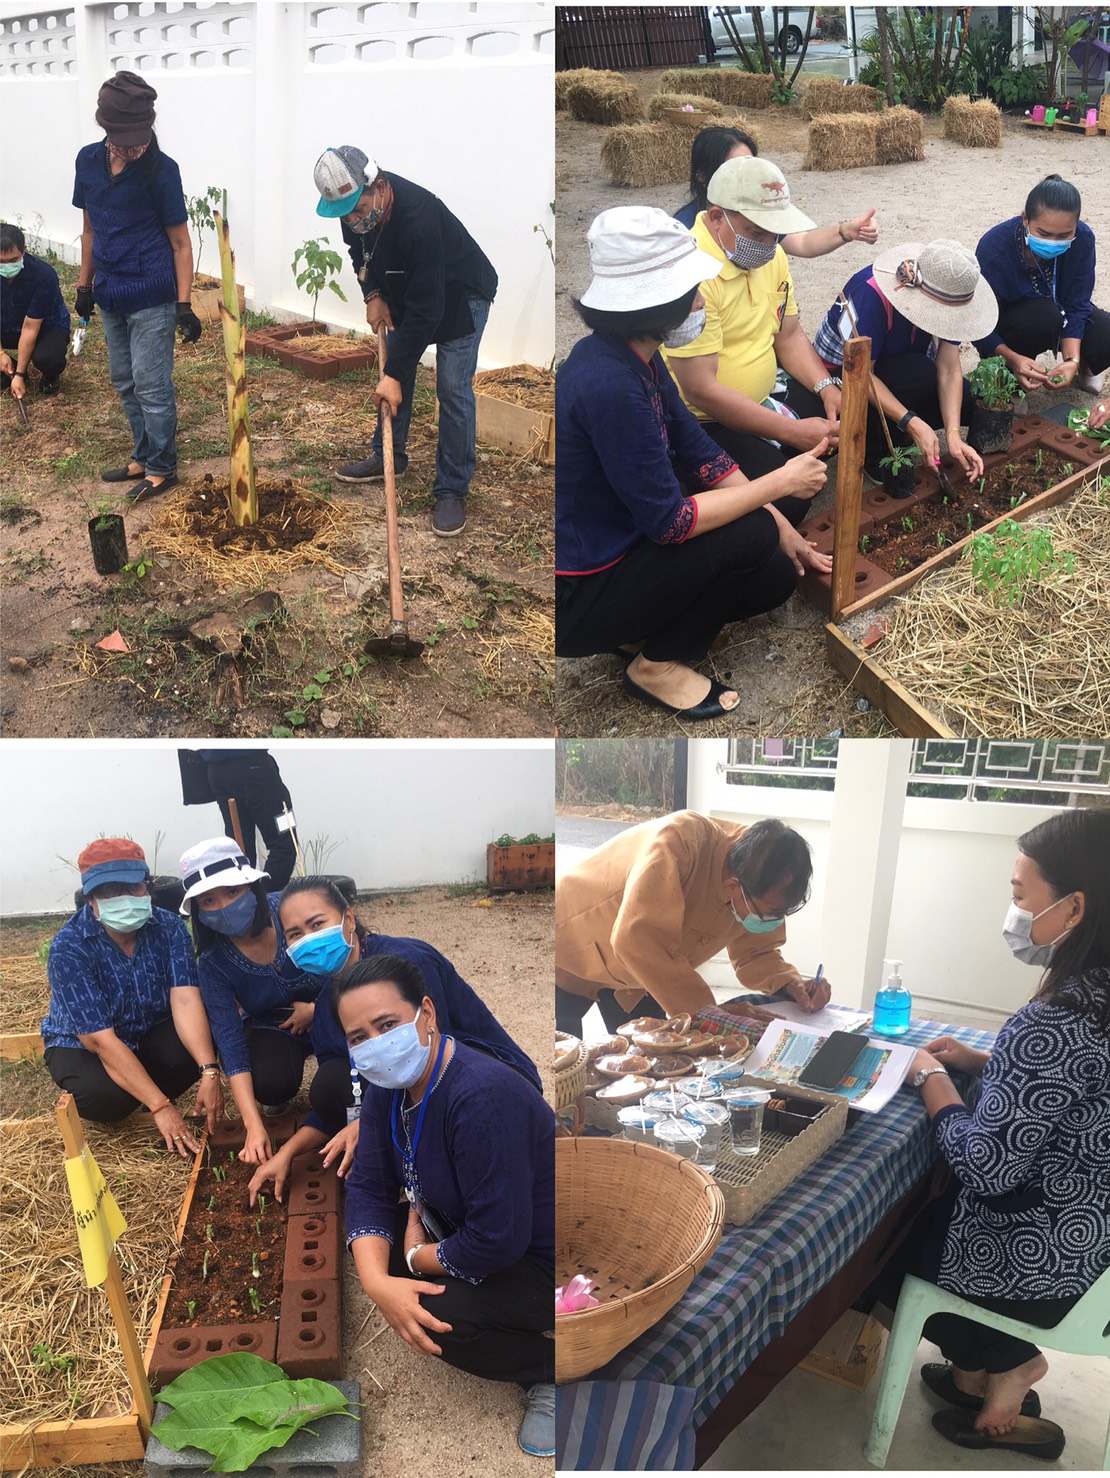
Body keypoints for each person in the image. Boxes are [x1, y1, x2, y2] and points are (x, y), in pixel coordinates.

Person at [867, 807, 1110, 1460]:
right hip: (1093, 1246)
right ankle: (978, 1374)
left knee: (876, 1247)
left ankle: (1009, 1361)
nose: (1014, 910)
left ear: (1075, 906)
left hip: (1043, 1262)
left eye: (1021, 894)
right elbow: (1075, 1095)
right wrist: (988, 1063)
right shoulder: (1096, 998)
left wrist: (928, 1076)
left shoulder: (1056, 1020)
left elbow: (985, 1166)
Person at [556, 207, 831, 721]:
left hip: (623, 545)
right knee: (751, 532)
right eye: (691, 291)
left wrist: (786, 530)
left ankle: (636, 630)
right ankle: (655, 665)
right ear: (654, 302)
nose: (700, 301)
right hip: (578, 592)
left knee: (774, 574)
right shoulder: (609, 386)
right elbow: (670, 522)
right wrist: (778, 484)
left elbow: (700, 450)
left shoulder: (634, 356)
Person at [337, 954, 555, 1457]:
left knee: (438, 1318)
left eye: (387, 1025)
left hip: (544, 1259)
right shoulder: (388, 1086)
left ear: (427, 1013)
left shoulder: (480, 1097)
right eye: (358, 1037)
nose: (376, 1045)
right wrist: (376, 1284)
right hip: (459, 1223)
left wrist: (416, 1260)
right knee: (375, 1250)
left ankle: (555, 1369)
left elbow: (498, 1240)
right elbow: (369, 1185)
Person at [246, 875, 539, 1201]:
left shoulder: (407, 963)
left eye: (317, 924)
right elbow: (340, 1101)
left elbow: (439, 1061)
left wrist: (366, 1126)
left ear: (348, 919)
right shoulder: (329, 1004)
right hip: (416, 1088)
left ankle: (425, 1176)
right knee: (330, 1082)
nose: (309, 940)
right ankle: (404, 1153)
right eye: (295, 934)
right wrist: (287, 1153)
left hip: (482, 1080)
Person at [313, 145, 498, 537]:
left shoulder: (419, 217)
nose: (353, 220)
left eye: (359, 210)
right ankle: (389, 457)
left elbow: (428, 309)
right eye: (345, 215)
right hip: (413, 288)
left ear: (379, 186)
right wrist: (373, 294)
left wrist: (394, 374)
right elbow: (357, 251)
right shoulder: (353, 212)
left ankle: (452, 489)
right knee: (397, 371)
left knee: (451, 388)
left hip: (463, 292)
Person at [555, 811, 830, 1037]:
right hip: (567, 950)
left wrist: (791, 984)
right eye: (766, 914)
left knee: (657, 1065)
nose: (770, 922)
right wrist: (711, 1012)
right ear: (733, 886)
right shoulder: (681, 843)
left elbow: (757, 953)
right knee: (560, 1072)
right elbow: (636, 941)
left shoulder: (759, 876)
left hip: (639, 977)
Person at [662, 155, 843, 482]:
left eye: (776, 234)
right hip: (706, 418)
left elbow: (789, 335)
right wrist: (791, 431)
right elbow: (701, 391)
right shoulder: (693, 274)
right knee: (789, 497)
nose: (769, 245)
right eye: (757, 233)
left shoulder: (773, 257)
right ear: (716, 217)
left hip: (766, 391)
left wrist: (826, 387)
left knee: (837, 426)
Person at [42, 838, 222, 1157]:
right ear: (91, 899)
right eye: (110, 890)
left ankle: (139, 1085)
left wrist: (209, 1069)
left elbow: (185, 999)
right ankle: (138, 1092)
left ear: (147, 887)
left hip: (146, 1028)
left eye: (133, 887)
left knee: (192, 1051)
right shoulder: (69, 948)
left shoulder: (169, 927)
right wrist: (161, 1106)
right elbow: (99, 1041)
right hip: (83, 1044)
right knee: (106, 1099)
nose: (124, 898)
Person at [72, 70, 202, 503]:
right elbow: (90, 230)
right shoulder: (87, 162)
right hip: (110, 291)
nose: (133, 147)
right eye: (123, 139)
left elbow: (181, 243)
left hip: (152, 295)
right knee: (124, 380)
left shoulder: (162, 170)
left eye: (139, 137)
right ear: (106, 128)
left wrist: (183, 304)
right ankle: (144, 454)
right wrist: (85, 286)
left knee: (151, 384)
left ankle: (163, 467)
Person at [812, 238, 997, 490]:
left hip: (901, 368)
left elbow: (949, 369)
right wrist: (910, 421)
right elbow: (861, 375)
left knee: (970, 400)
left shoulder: (951, 293)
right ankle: (875, 450)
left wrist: (953, 434)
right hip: (847, 378)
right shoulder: (871, 295)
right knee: (919, 373)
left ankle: (903, 428)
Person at [179, 837, 322, 1162]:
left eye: (232, 891)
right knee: (270, 1082)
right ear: (198, 910)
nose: (223, 906)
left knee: (332, 1088)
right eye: (208, 900)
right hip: (278, 1026)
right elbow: (229, 1041)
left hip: (337, 1009)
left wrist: (317, 1009)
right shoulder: (214, 963)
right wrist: (253, 1125)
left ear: (251, 886)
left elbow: (349, 965)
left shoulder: (290, 909)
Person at [975, 174, 1108, 397]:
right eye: (1044, 234)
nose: (1053, 242)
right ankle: (1011, 377)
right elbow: (979, 321)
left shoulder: (1083, 239)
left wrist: (1072, 360)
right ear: (1025, 218)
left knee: (1105, 331)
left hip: (1060, 308)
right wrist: (1012, 358)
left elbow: (1078, 303)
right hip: (1017, 323)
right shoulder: (994, 247)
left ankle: (1085, 366)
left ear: (1076, 226)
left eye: (1064, 235)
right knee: (1044, 316)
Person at [674, 126, 879, 258]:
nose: (768, 242)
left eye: (752, 164)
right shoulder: (683, 232)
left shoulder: (762, 212)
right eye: (734, 168)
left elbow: (803, 243)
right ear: (702, 176)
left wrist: (846, 231)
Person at [191, 749, 298, 890]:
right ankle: (262, 900)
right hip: (254, 767)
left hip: (218, 774)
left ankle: (250, 899)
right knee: (284, 846)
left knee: (240, 855)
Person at [0, 222, 69, 398]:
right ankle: (7, 367)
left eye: (13, 260)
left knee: (49, 358)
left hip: (44, 328)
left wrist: (20, 374)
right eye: (1, 262)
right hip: (6, 324)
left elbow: (30, 327)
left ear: (24, 250)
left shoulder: (43, 275)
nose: (7, 266)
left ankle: (50, 375)